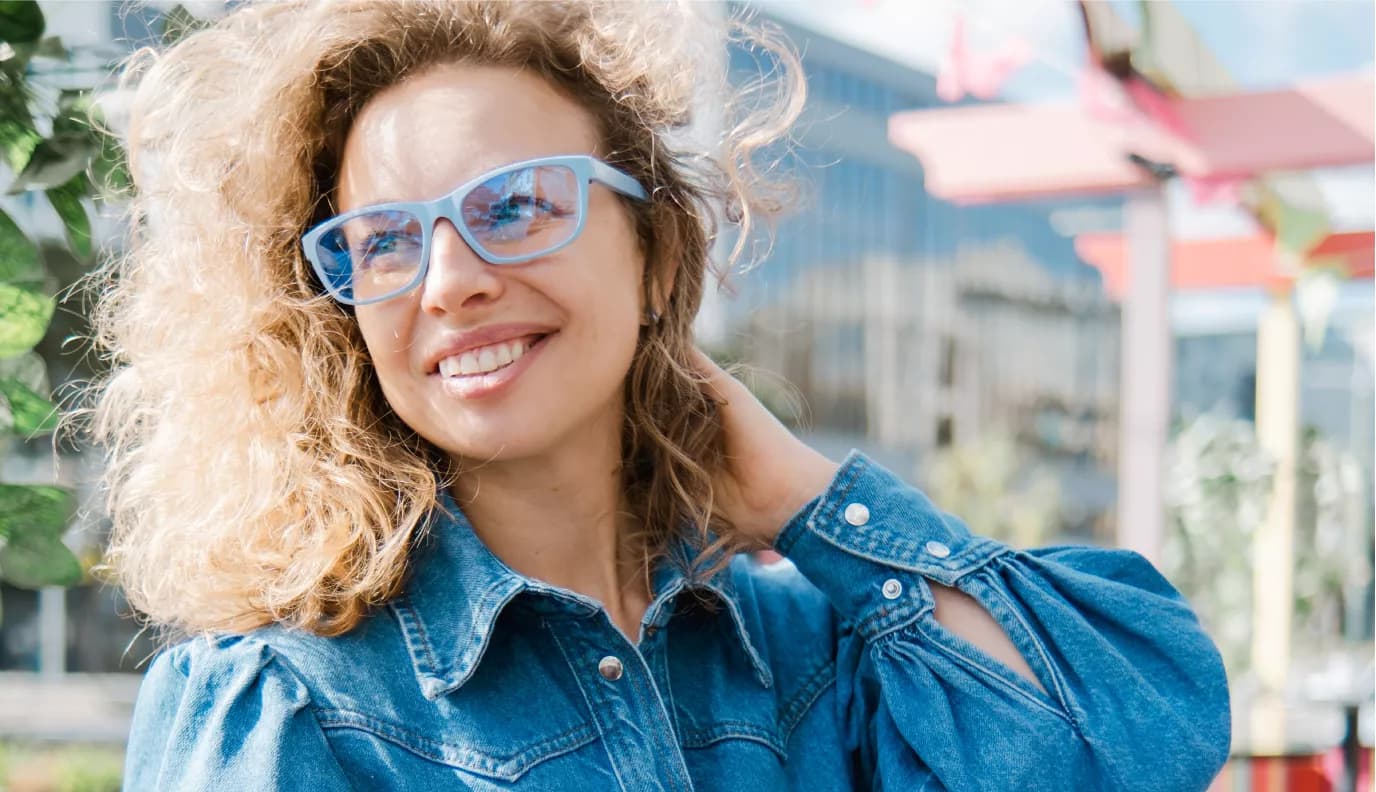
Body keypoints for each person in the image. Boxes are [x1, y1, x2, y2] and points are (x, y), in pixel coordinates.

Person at [92, 1, 1230, 789]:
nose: (450, 282)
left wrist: (800, 497)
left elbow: (1131, 738)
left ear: (652, 256)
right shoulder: (284, 700)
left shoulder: (815, 652)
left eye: (516, 205)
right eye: (382, 241)